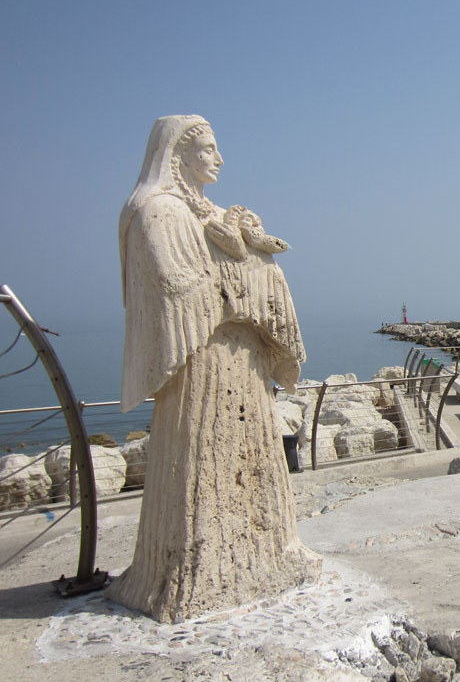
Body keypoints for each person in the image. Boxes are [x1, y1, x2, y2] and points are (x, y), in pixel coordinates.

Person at [106, 115, 321, 623]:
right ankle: (197, 576)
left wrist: (249, 246)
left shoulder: (213, 212)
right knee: (201, 461)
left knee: (252, 462)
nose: (219, 158)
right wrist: (247, 266)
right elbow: (177, 289)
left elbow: (241, 269)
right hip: (202, 364)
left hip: (240, 362)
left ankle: (270, 555)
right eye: (208, 149)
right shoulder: (156, 211)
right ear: (177, 155)